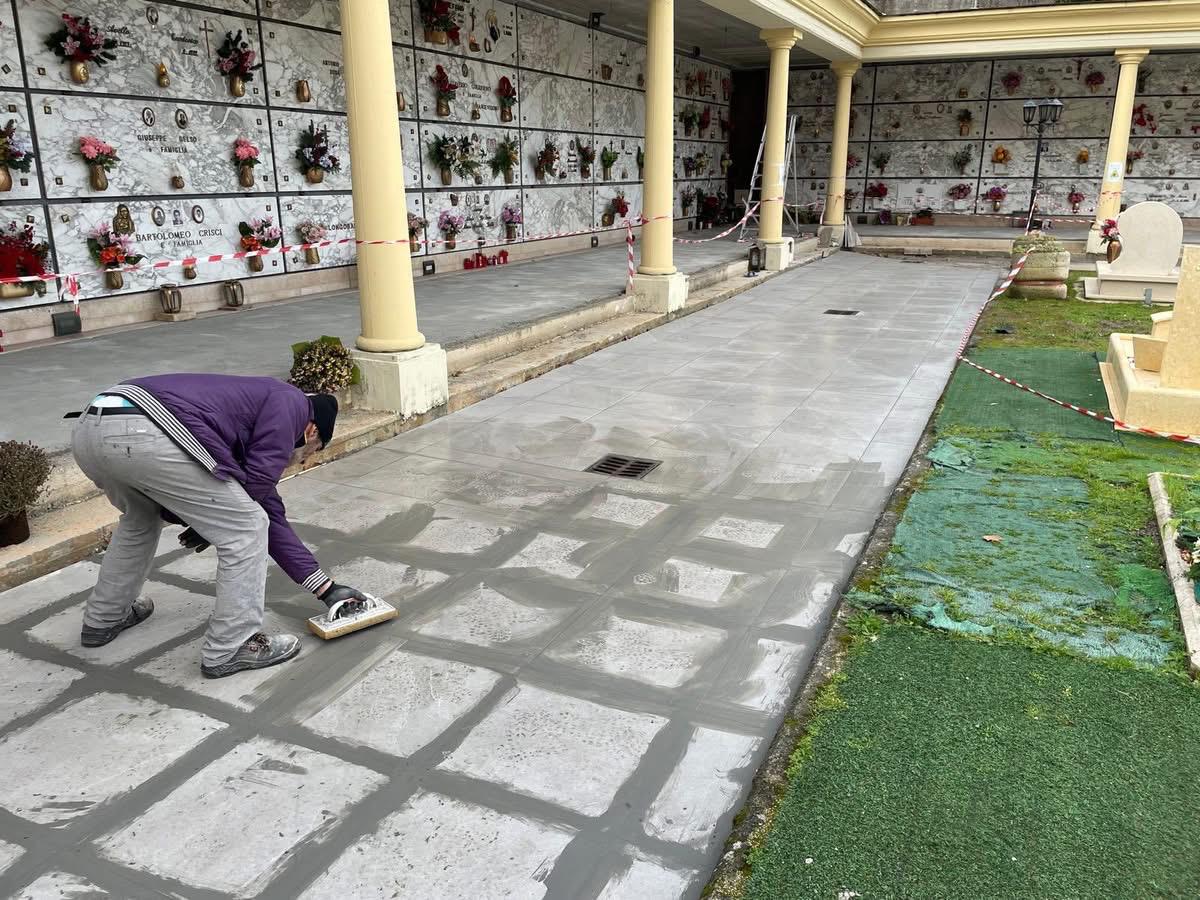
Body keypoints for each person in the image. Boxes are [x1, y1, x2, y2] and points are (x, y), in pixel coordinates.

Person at [70, 374, 370, 678]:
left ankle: (104, 618)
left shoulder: (245, 418)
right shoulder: (292, 402)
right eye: (312, 451)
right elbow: (256, 499)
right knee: (246, 528)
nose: (303, 461)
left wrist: (325, 588)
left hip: (92, 428)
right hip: (144, 428)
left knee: (140, 520)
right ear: (312, 430)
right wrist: (208, 522)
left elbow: (265, 505)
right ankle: (231, 646)